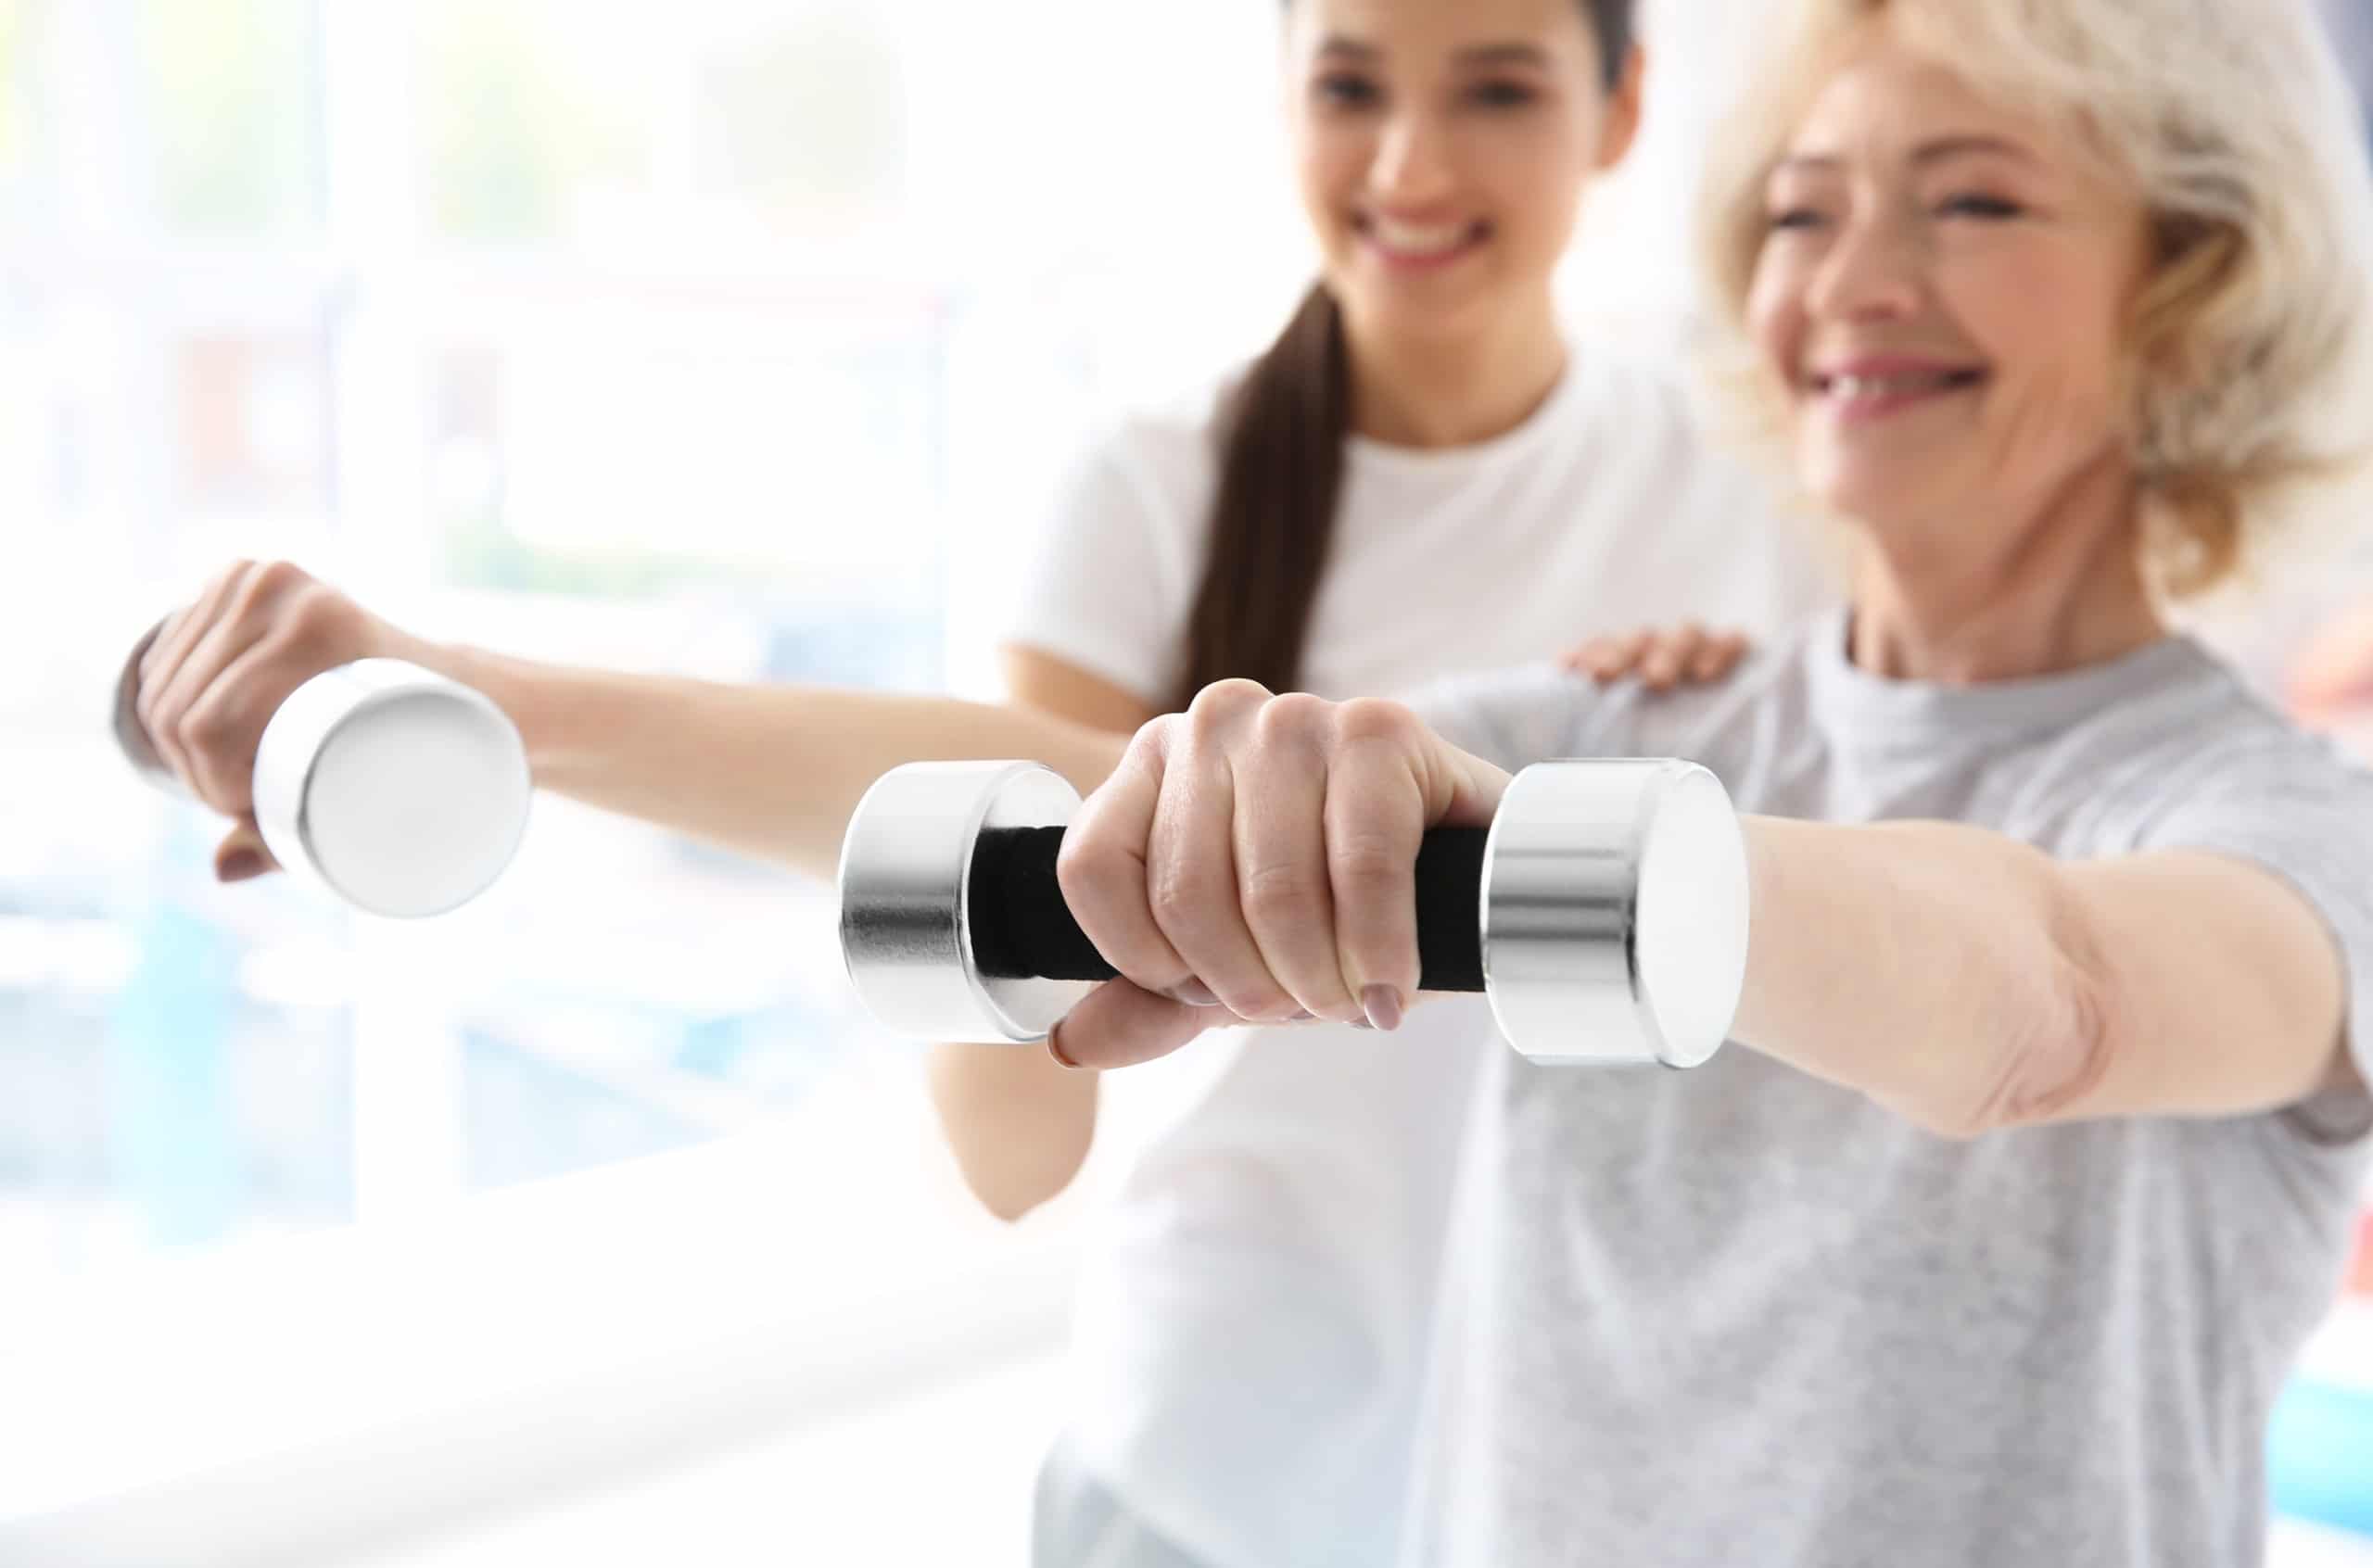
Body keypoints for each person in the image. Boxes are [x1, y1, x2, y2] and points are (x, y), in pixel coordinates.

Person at [126, 0, 2373, 1562]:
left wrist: (1490, 855)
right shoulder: (1633, 722)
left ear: (2190, 284)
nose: (1846, 282)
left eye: (1966, 202)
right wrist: (478, 695)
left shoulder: (2275, 820)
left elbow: (2044, 998)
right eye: (1795, 211)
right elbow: (1032, 782)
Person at [951, 0, 1824, 1561]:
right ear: (1282, 103)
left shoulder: (1755, 481)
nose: (1412, 166)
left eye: (1496, 92)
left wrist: (1703, 759)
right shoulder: (1148, 490)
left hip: (1610, 1462)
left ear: (1622, 111)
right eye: (1351, 88)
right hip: (1216, 1461)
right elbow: (1005, 1145)